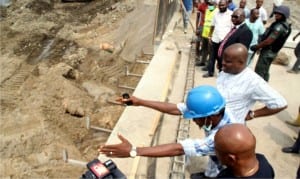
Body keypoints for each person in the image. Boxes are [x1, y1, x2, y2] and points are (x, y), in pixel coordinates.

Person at [99, 85, 237, 178]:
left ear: (211, 117)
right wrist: (140, 102)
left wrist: (133, 151)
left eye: (195, 118)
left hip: (233, 168)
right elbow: (175, 109)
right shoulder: (216, 109)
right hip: (217, 158)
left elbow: (179, 149)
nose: (194, 121)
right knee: (214, 162)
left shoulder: (222, 138)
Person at [218, 43, 287, 123]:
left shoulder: (253, 82)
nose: (223, 63)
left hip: (232, 128)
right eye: (223, 59)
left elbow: (280, 103)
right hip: (215, 125)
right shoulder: (225, 72)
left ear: (241, 62)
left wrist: (253, 114)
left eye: (228, 61)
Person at [203, 8, 253, 78]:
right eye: (232, 16)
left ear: (243, 17)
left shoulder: (246, 32)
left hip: (230, 67)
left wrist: (227, 64)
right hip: (224, 63)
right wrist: (220, 61)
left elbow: (240, 54)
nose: (233, 18)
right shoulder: (235, 28)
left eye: (236, 17)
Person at [251, 5, 291, 82]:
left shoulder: (279, 27)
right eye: (276, 13)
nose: (276, 15)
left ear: (284, 15)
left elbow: (269, 41)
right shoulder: (284, 25)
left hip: (268, 52)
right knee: (265, 71)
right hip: (272, 51)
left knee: (259, 71)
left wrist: (257, 46)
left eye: (279, 14)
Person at [202, 0, 232, 77]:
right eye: (220, 5)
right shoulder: (216, 14)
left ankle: (221, 73)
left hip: (224, 41)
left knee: (221, 58)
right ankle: (210, 72)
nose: (221, 7)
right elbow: (212, 26)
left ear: (227, 5)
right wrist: (209, 36)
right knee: (212, 57)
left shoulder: (230, 14)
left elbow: (233, 28)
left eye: (223, 5)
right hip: (215, 38)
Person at [196, 0, 217, 67]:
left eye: (211, 5)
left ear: (215, 5)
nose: (210, 6)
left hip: (211, 34)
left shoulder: (216, 12)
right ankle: (202, 61)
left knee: (210, 50)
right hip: (205, 32)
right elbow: (204, 20)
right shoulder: (208, 10)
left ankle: (208, 65)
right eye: (209, 4)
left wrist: (211, 34)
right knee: (204, 48)